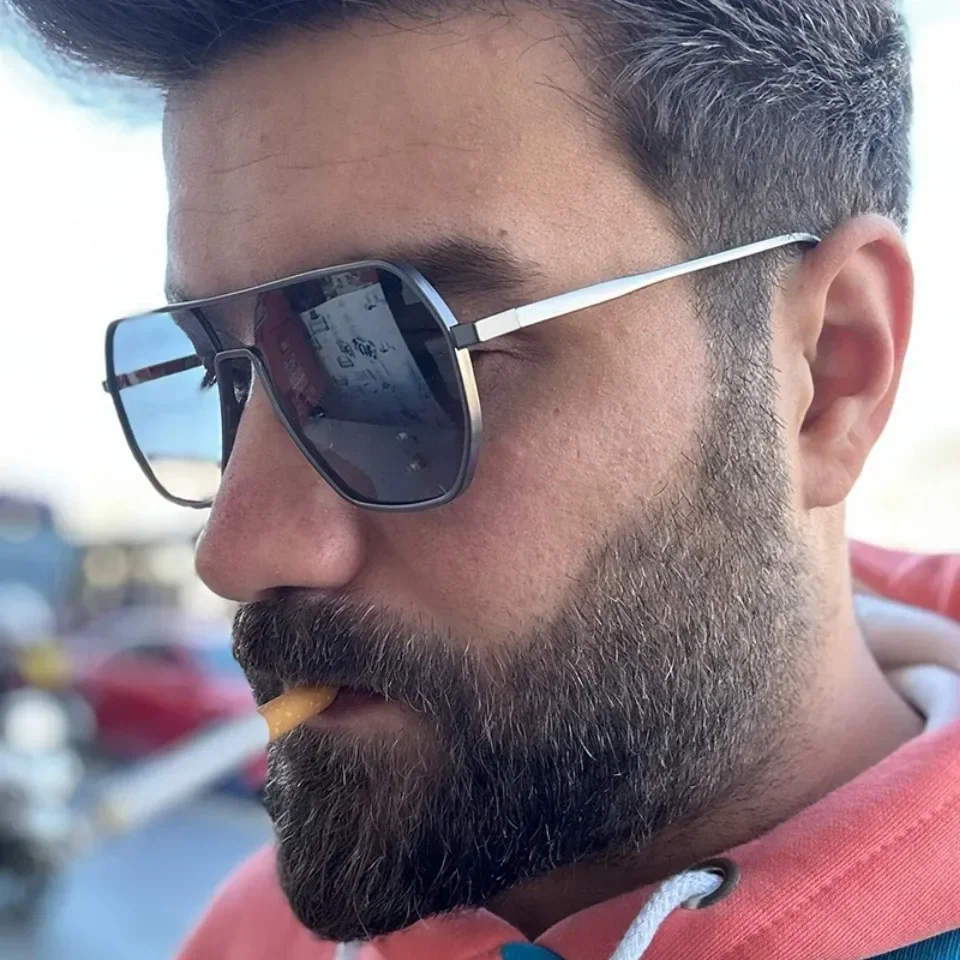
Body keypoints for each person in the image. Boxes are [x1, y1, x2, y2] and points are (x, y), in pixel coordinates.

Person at [10, 0, 960, 957]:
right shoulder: (257, 932)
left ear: (828, 373)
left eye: (403, 363)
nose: (236, 550)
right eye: (221, 376)